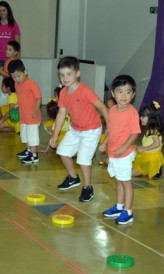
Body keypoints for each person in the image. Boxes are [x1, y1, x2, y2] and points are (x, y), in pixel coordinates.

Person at [49, 56, 108, 202]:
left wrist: (110, 126)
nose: (65, 78)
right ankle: (73, 177)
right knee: (62, 152)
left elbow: (102, 106)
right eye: (62, 75)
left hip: (91, 130)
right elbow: (61, 113)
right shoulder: (63, 93)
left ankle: (88, 187)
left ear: (77, 74)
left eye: (69, 74)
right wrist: (54, 135)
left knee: (83, 160)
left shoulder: (84, 91)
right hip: (75, 129)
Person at [100, 75, 141, 224]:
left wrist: (123, 149)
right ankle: (119, 206)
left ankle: (128, 211)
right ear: (113, 94)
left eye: (128, 92)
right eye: (120, 91)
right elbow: (110, 130)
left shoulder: (132, 113)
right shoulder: (112, 111)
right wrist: (105, 143)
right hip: (114, 153)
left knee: (126, 182)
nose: (124, 96)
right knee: (118, 180)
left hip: (124, 154)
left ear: (133, 95)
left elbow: (135, 133)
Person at [8, 59, 42, 164]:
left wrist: (36, 110)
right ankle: (28, 151)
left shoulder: (32, 84)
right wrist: (18, 104)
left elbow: (38, 98)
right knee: (25, 135)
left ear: (25, 72)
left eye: (19, 76)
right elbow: (22, 97)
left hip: (32, 116)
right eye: (14, 77)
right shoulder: (17, 85)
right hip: (24, 116)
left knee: (32, 136)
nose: (17, 79)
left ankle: (34, 155)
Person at [0, 40, 21, 127]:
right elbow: (5, 71)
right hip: (5, 87)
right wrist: (0, 69)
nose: (7, 51)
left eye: (10, 49)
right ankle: (0, 120)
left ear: (16, 53)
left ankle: (2, 120)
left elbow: (10, 76)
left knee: (5, 104)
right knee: (2, 104)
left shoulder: (14, 62)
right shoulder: (7, 60)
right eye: (6, 49)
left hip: (10, 88)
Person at [132, 101, 164, 179]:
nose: (140, 118)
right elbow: (148, 143)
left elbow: (157, 144)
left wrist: (143, 148)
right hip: (147, 155)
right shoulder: (150, 129)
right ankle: (148, 169)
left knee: (132, 173)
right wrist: (141, 147)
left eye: (143, 116)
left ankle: (154, 168)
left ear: (151, 118)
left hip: (150, 158)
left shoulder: (153, 130)